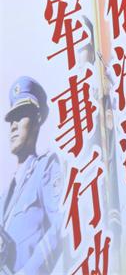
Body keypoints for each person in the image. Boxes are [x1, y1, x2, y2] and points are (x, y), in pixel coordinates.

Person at [1, 77, 62, 275]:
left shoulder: (45, 169)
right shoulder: (4, 198)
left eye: (20, 116)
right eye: (12, 119)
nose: (13, 126)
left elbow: (62, 225)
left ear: (37, 120)